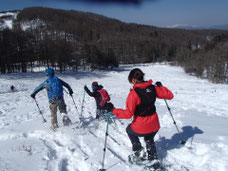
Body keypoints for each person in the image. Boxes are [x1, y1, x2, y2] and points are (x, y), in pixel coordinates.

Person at [104, 68, 174, 166]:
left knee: (129, 130)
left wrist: (113, 110)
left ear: (134, 80)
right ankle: (153, 158)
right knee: (149, 138)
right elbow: (170, 95)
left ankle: (138, 149)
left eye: (131, 82)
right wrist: (161, 87)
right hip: (154, 125)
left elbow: (128, 114)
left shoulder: (134, 93)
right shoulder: (153, 88)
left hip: (141, 126)